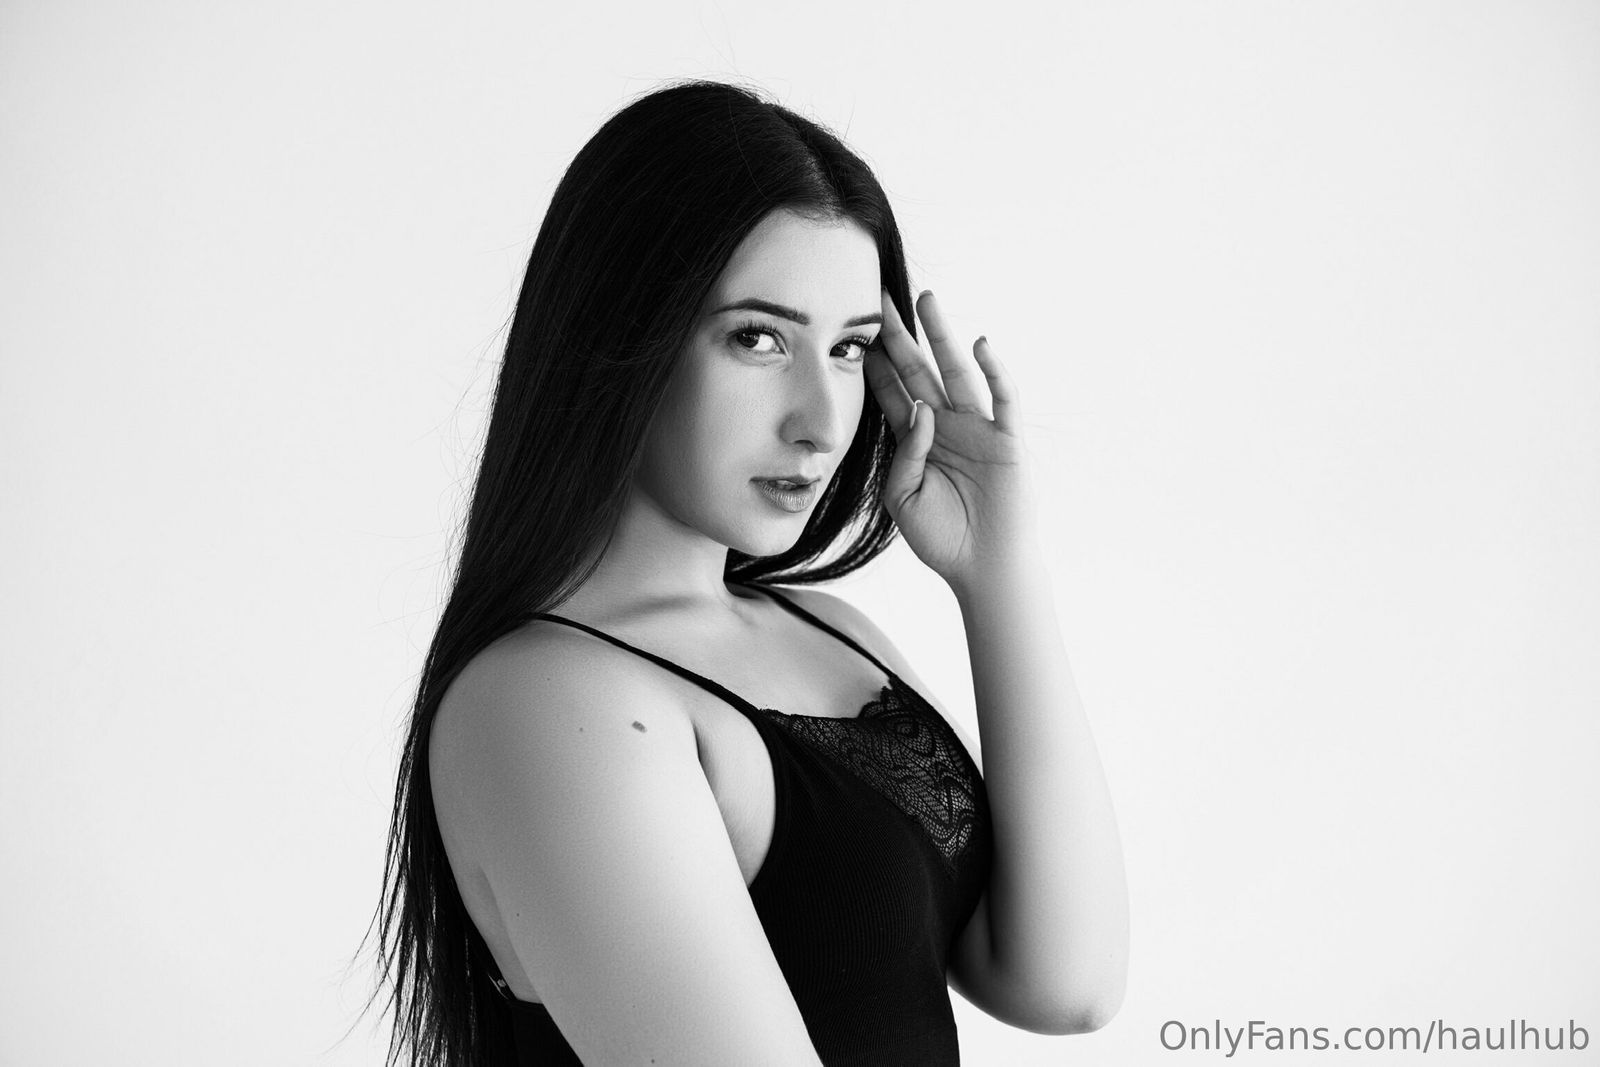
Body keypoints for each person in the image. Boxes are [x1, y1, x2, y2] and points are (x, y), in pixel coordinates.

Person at [367, 78, 1129, 1065]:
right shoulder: (546, 700)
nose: (822, 419)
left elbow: (1066, 984)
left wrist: (999, 573)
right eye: (757, 338)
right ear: (619, 334)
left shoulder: (829, 632)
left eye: (850, 348)